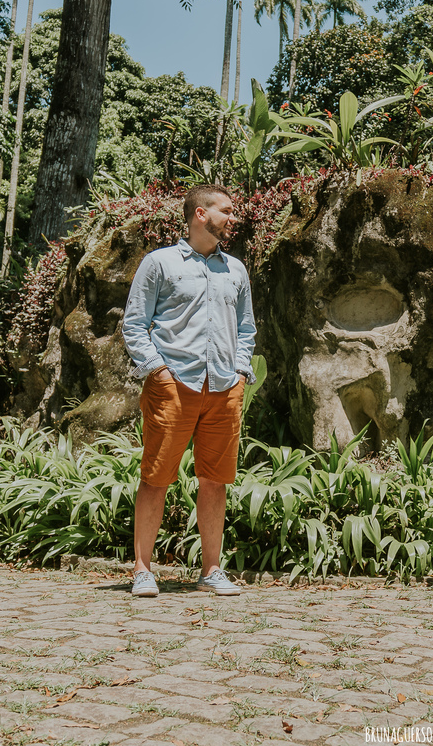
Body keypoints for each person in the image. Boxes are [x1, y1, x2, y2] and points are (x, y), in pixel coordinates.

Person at [121, 184, 256, 598]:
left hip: (223, 386)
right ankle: (143, 571)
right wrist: (158, 370)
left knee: (215, 481)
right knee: (156, 477)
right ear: (201, 213)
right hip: (173, 385)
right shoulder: (159, 263)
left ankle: (211, 570)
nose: (233, 217)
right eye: (226, 210)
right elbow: (134, 324)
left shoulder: (235, 269)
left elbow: (246, 328)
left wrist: (241, 372)